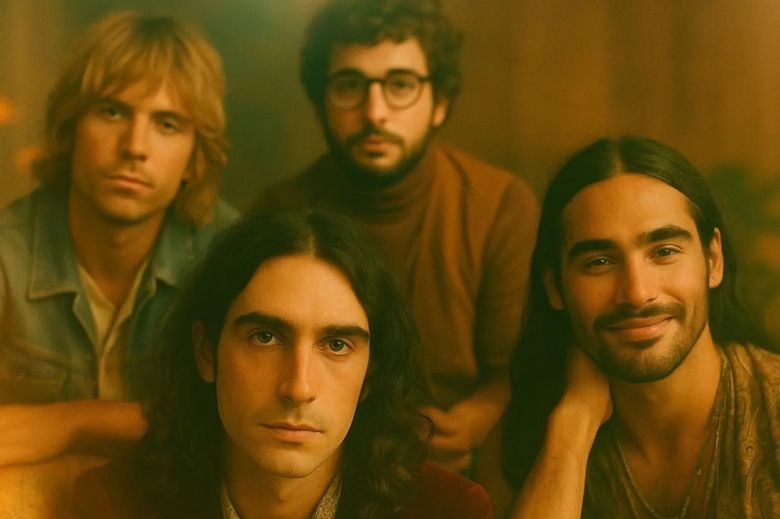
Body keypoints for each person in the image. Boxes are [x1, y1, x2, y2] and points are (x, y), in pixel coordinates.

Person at [252, 0, 539, 475]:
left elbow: (518, 369)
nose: (375, 112)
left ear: (439, 102)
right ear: (320, 102)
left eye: (400, 85)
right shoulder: (278, 212)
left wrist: (474, 419)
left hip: (452, 463)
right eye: (350, 86)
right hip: (313, 459)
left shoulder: (499, 205)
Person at [71, 210, 492, 519]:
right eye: (266, 338)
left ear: (371, 373)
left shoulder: (449, 511)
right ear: (206, 353)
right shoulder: (112, 505)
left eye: (337, 345)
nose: (298, 387)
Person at [0, 11, 237, 465]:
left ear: (194, 158)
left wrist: (70, 424)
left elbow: (247, 430)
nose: (134, 147)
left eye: (167, 124)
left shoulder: (232, 258)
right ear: (70, 128)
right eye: (112, 112)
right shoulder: (8, 250)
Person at [503, 136, 779, 518]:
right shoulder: (528, 432)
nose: (636, 293)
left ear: (713, 260)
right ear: (555, 286)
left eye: (664, 252)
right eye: (599, 262)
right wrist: (573, 426)